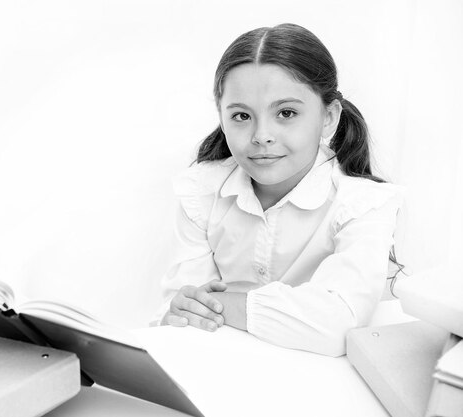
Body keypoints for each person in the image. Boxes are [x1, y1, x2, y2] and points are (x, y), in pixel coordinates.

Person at [155, 23, 403, 357]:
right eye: (242, 115)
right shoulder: (201, 192)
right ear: (221, 116)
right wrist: (184, 310)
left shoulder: (363, 204)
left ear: (328, 117)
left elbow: (338, 323)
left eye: (286, 113)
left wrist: (224, 302)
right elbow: (181, 315)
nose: (261, 135)